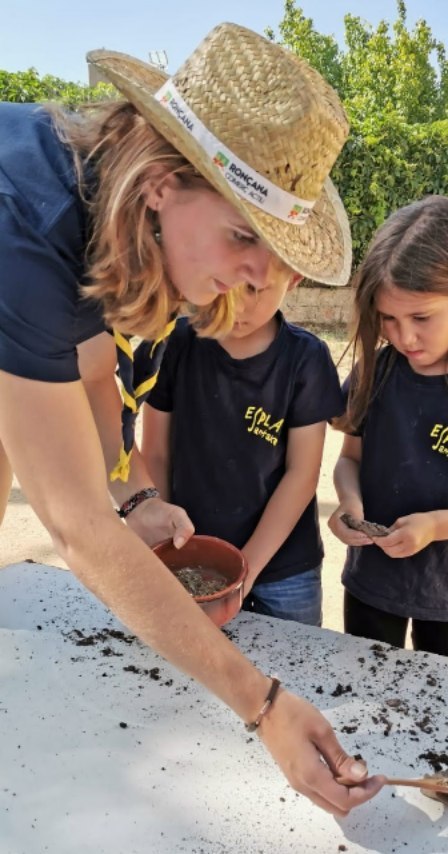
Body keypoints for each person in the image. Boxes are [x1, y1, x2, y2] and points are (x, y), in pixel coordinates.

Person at [0, 23, 384, 812]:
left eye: (278, 253)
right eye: (246, 235)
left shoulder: (92, 210)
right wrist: (264, 705)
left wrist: (136, 498)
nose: (256, 275)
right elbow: (73, 525)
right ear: (162, 183)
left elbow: (95, 374)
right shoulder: (25, 233)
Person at [142, 271, 344, 626]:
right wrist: (165, 544)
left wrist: (242, 574)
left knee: (294, 673)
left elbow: (303, 474)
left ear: (293, 278)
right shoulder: (174, 343)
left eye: (255, 288)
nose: (236, 303)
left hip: (286, 569)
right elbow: (155, 453)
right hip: (190, 556)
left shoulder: (307, 358)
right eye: (223, 282)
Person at [328, 195, 448, 663]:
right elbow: (349, 459)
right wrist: (348, 505)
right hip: (373, 583)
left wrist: (436, 526)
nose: (403, 337)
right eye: (388, 319)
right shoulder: (378, 370)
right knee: (365, 684)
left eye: (421, 318)